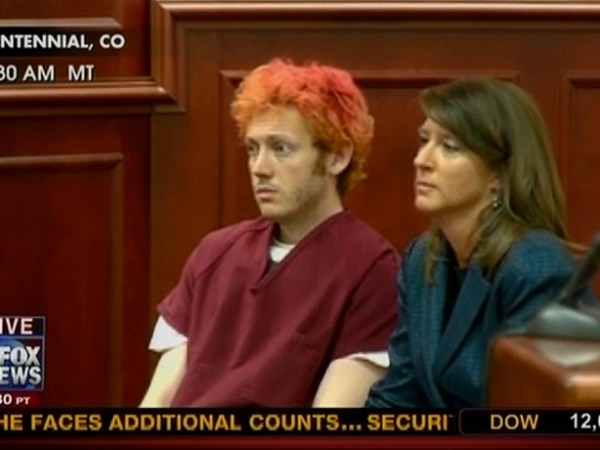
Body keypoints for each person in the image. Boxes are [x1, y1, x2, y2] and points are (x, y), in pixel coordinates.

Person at [140, 59, 398, 407]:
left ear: (337, 157)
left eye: (280, 148)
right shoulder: (215, 253)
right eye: (253, 149)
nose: (259, 168)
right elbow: (155, 405)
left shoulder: (372, 269)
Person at [366, 77, 597, 408]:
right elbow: (399, 395)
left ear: (499, 175)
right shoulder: (422, 258)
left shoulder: (535, 265)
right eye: (424, 140)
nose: (422, 160)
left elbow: (532, 411)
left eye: (449, 147)